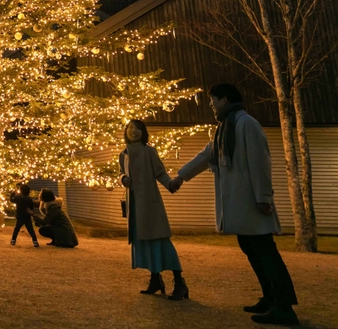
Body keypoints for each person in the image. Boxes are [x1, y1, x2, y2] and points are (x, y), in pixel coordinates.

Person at [170, 83, 298, 326]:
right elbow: (207, 154)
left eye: (213, 100)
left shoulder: (246, 124)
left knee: (266, 253)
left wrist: (263, 197)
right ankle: (271, 298)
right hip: (243, 205)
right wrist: (181, 177)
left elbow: (260, 162)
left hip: (253, 203)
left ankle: (284, 307)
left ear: (225, 100)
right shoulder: (224, 128)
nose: (211, 104)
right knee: (253, 250)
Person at [120, 120, 187, 300]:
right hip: (135, 205)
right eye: (130, 128)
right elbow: (121, 172)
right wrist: (123, 179)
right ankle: (155, 279)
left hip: (150, 203)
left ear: (143, 132)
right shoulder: (124, 154)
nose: (134, 131)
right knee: (145, 243)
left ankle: (179, 282)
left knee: (160, 242)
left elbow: (160, 172)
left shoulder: (149, 151)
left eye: (138, 128)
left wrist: (170, 184)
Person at [10, 182, 39, 248]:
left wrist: (13, 193)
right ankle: (35, 241)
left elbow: (11, 200)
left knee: (17, 228)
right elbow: (31, 207)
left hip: (20, 216)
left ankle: (13, 240)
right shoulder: (29, 198)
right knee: (31, 230)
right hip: (27, 216)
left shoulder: (18, 197)